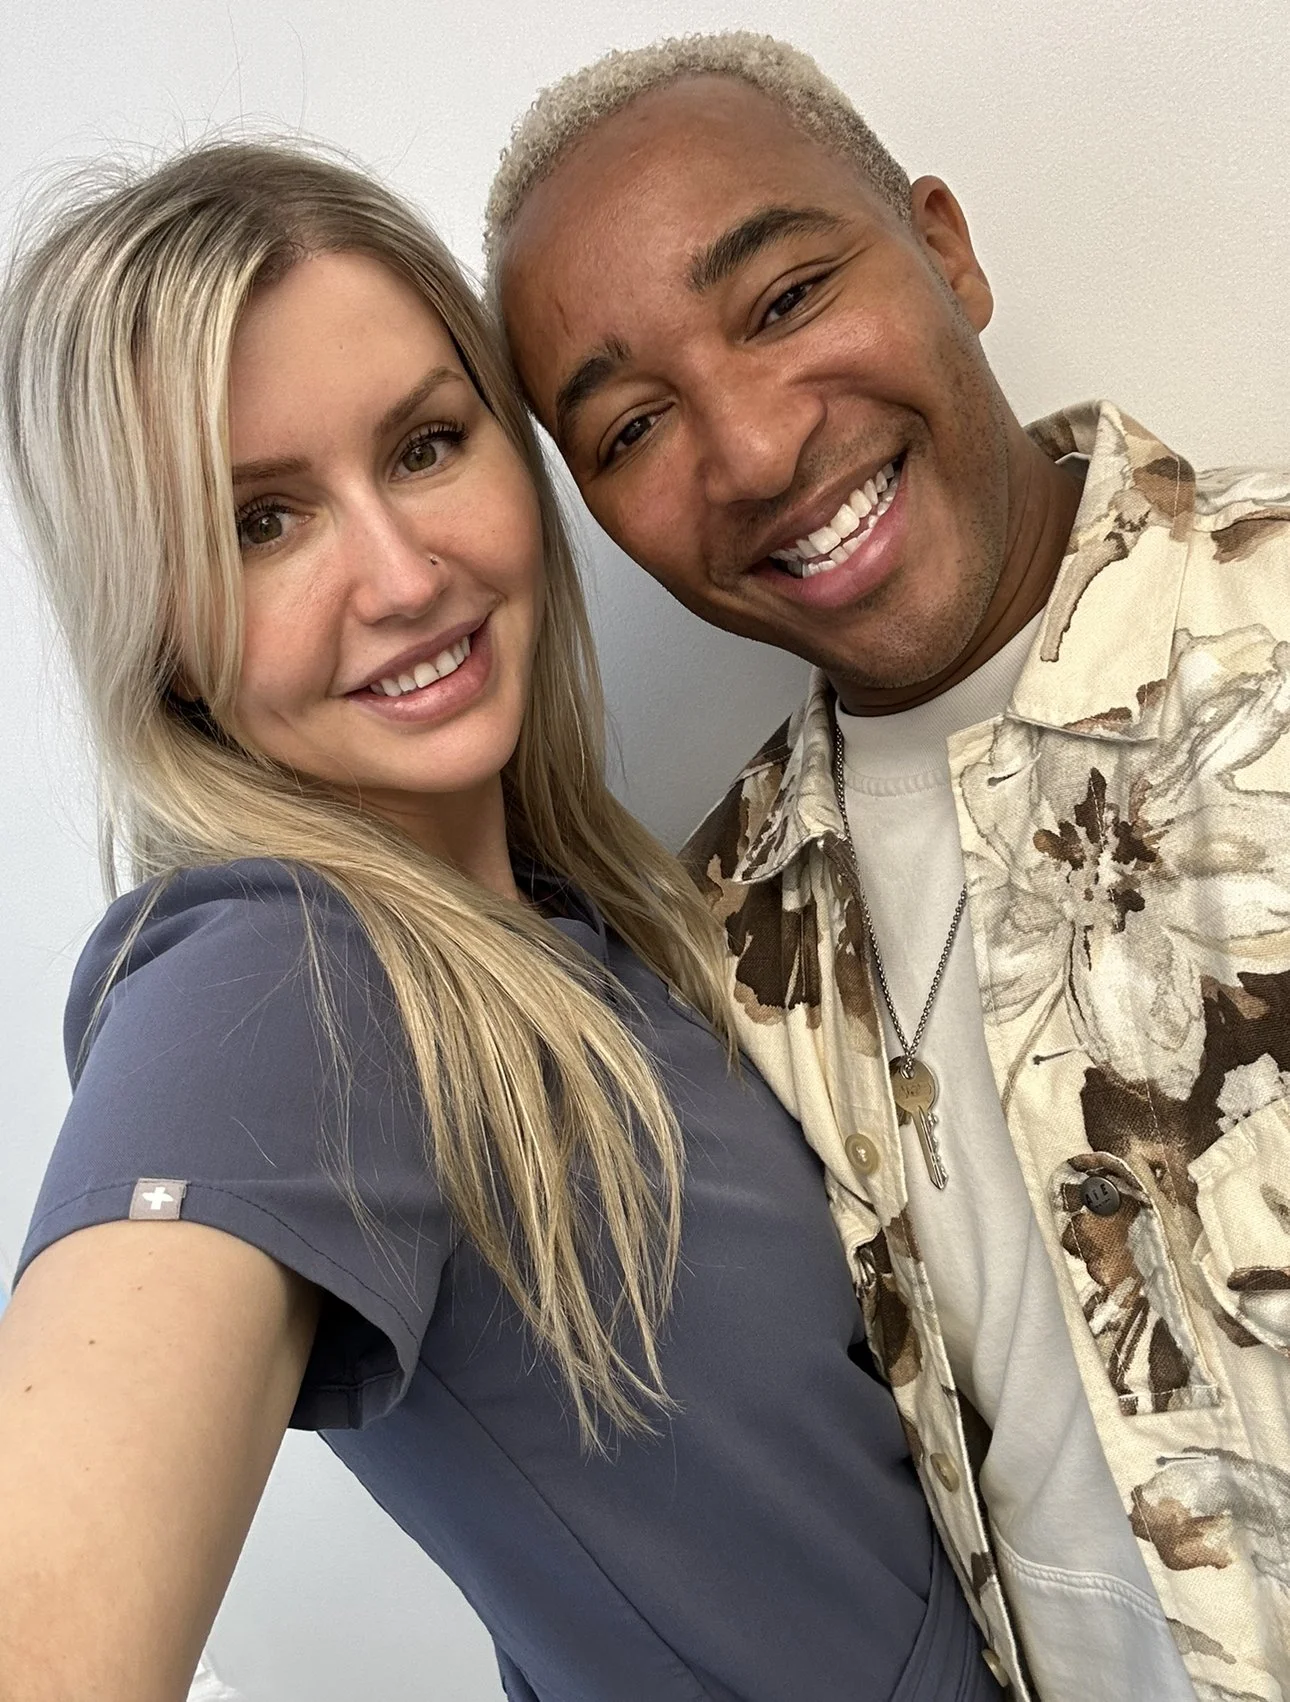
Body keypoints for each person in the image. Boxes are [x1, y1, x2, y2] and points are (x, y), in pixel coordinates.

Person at [0, 139, 1002, 1702]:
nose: (403, 574)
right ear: (165, 631)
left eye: (422, 446)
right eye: (259, 522)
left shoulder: (580, 919)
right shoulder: (271, 977)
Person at [485, 31, 1290, 1702]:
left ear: (944, 246)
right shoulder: (708, 945)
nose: (758, 448)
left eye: (782, 300)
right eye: (633, 423)